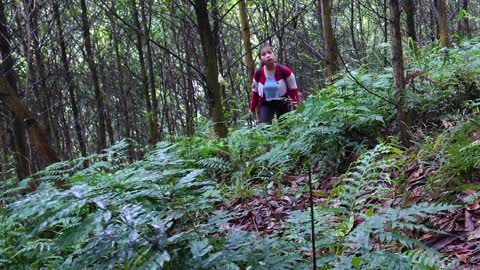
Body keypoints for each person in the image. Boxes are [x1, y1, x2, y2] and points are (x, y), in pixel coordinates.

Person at [249, 46, 300, 124]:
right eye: (264, 54)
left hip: (283, 102)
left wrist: (296, 107)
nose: (268, 55)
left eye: (269, 52)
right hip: (266, 103)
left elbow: (293, 90)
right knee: (265, 127)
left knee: (285, 127)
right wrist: (253, 110)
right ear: (261, 58)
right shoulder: (258, 73)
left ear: (273, 54)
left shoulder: (285, 71)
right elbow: (255, 93)